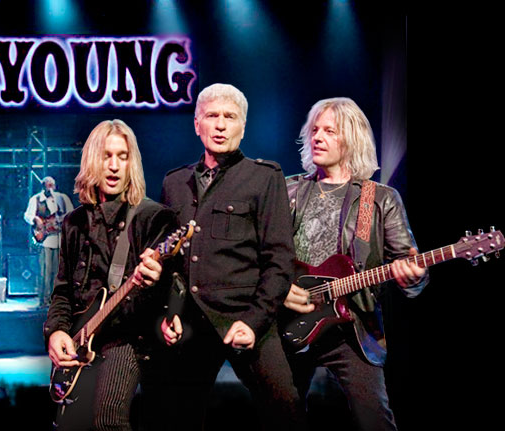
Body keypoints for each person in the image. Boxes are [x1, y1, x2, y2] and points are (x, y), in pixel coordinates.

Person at [158, 83, 304, 430]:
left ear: (243, 127)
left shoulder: (264, 177)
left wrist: (254, 321)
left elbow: (279, 260)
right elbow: (169, 261)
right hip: (191, 323)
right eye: (212, 116)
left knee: (286, 411)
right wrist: (169, 312)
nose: (221, 125)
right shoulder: (174, 183)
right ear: (197, 124)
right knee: (175, 417)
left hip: (247, 315)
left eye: (230, 117)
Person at [282, 98, 425, 431]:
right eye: (314, 130)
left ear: (352, 139)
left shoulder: (379, 198)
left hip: (352, 329)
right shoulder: (287, 190)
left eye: (329, 131)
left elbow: (409, 263)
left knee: (374, 418)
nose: (317, 137)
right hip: (288, 321)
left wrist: (412, 276)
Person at [44, 119, 180, 430]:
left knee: (108, 421)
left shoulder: (153, 217)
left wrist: (156, 279)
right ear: (92, 160)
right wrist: (56, 332)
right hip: (82, 341)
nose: (114, 166)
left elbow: (173, 291)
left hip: (129, 339)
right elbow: (63, 291)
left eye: (122, 156)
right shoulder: (74, 223)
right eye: (106, 156)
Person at [23, 176, 74, 306]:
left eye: (52, 185)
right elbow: (27, 215)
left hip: (59, 240)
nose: (50, 188)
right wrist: (35, 219)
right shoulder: (36, 199)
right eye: (47, 186)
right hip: (45, 241)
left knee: (58, 272)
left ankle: (56, 300)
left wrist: (62, 220)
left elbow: (71, 214)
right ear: (43, 186)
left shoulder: (62, 198)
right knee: (45, 272)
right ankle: (44, 300)